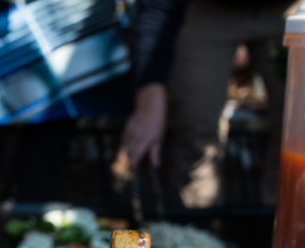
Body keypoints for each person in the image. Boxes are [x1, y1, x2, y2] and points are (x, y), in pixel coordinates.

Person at [116, 0, 294, 208]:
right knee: (193, 125)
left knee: (303, 129)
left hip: (291, 9)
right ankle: (199, 231)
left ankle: (286, 228)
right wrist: (149, 97)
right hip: (205, 9)